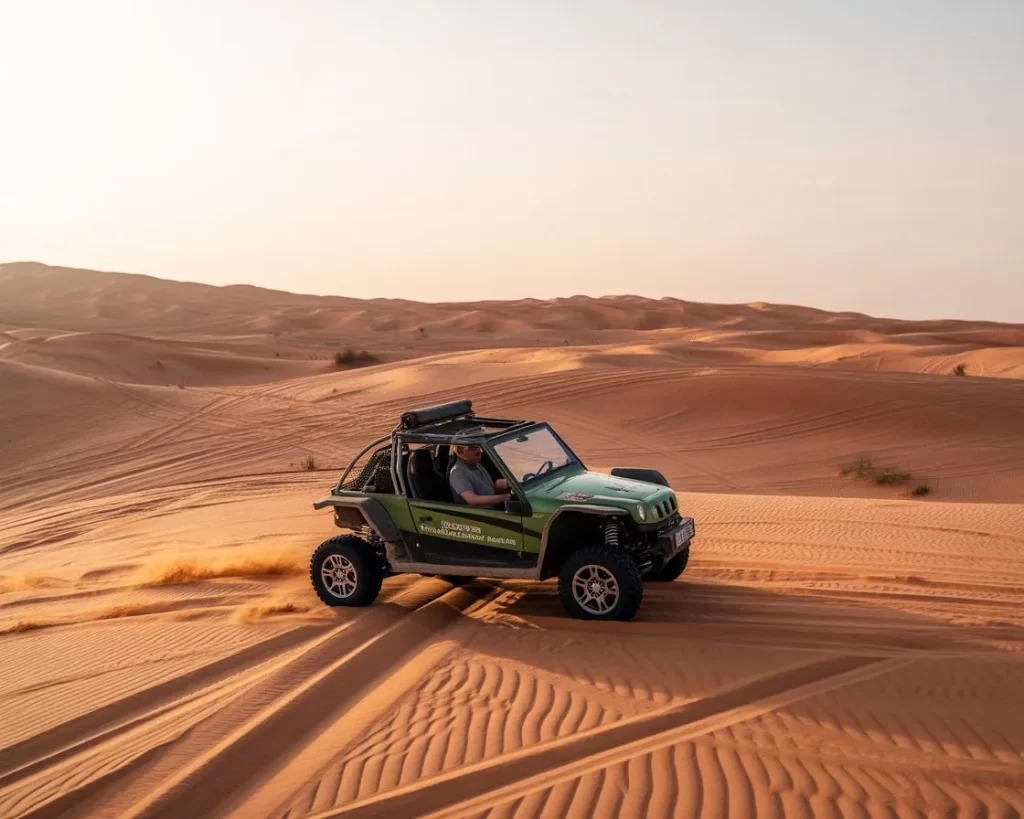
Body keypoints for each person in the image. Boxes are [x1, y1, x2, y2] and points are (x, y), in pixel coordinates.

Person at [449, 442, 509, 507]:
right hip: (478, 514)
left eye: (478, 447)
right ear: (460, 451)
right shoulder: (457, 472)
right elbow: (473, 500)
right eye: (473, 448)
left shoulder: (478, 466)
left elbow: (490, 488)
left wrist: (512, 485)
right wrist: (506, 497)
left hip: (493, 509)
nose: (478, 450)